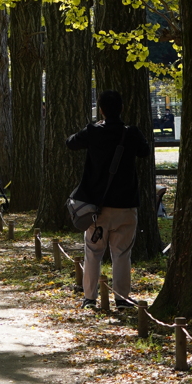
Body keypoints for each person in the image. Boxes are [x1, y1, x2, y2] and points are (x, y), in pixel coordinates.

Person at [67, 90, 150, 310]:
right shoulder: (130, 133)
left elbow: (71, 143)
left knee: (93, 252)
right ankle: (122, 299)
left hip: (98, 207)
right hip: (126, 204)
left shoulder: (94, 132)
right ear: (121, 108)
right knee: (122, 254)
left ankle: (90, 298)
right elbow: (145, 151)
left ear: (100, 109)